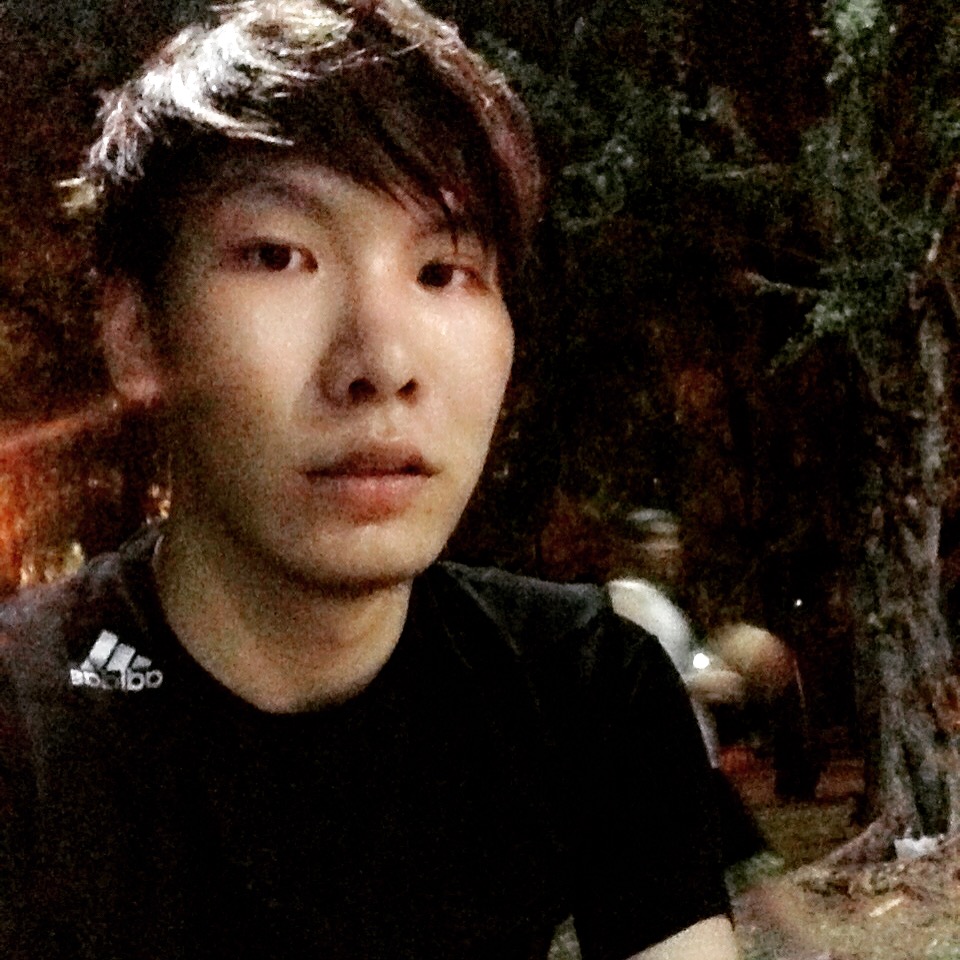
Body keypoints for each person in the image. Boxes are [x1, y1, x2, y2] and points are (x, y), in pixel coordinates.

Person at [0, 3, 739, 958]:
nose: (382, 364)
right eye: (278, 256)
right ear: (138, 333)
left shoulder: (585, 691)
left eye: (443, 269)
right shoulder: (27, 726)